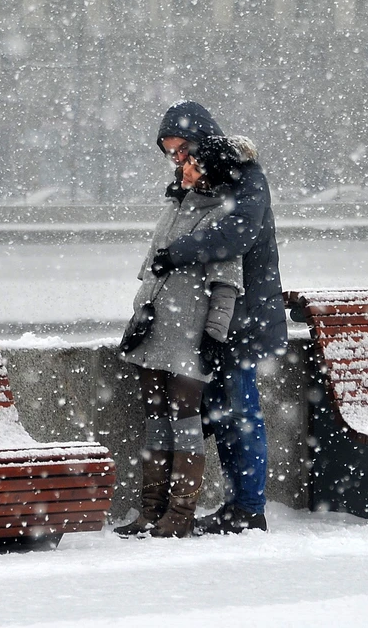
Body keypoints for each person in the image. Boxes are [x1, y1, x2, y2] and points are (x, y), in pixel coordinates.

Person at [151, 101, 288, 535]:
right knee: (224, 414)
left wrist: (178, 252)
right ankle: (236, 505)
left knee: (241, 413)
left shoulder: (246, 176)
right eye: (170, 153)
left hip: (244, 317)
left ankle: (249, 508)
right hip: (214, 319)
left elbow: (235, 236)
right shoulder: (201, 180)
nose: (177, 160)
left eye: (181, 149)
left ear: (201, 141)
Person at [113, 135, 248, 538]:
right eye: (186, 162)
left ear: (213, 174)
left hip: (189, 334)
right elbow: (151, 269)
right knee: (155, 418)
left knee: (185, 421)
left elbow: (226, 286)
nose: (185, 168)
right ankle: (151, 510)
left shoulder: (223, 217)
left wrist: (213, 337)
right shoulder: (175, 204)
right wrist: (139, 312)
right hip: (153, 329)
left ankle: (181, 513)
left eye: (195, 165)